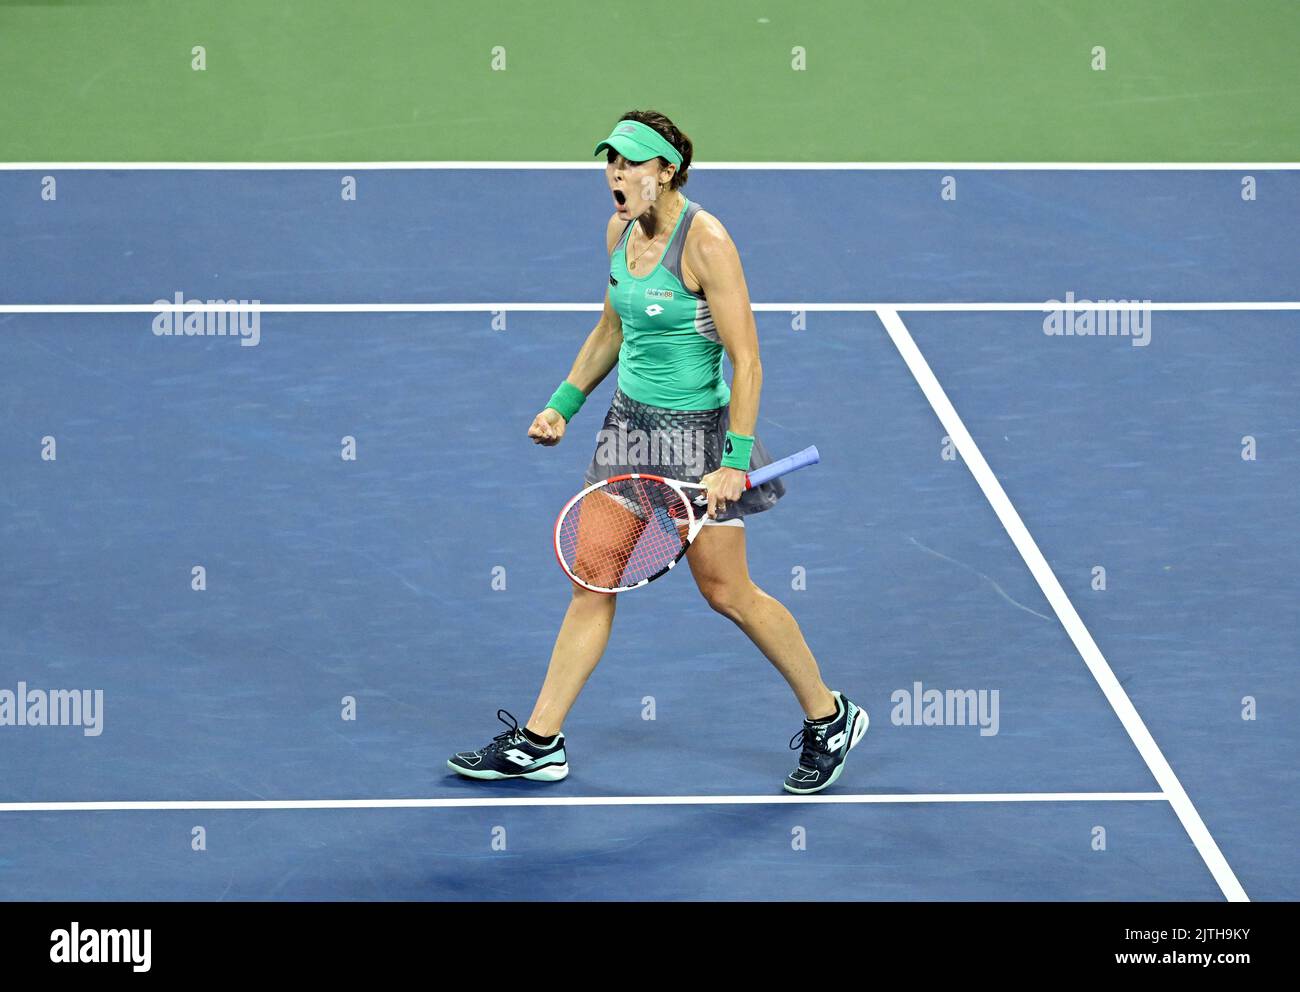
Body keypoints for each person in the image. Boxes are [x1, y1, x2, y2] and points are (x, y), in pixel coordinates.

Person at [448, 111, 866, 794]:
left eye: (631, 163)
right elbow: (612, 329)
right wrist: (564, 402)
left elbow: (748, 359)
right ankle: (539, 741)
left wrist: (733, 459)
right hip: (625, 433)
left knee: (727, 592)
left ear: (665, 171)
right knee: (594, 581)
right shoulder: (619, 233)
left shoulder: (707, 243)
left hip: (695, 440)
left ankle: (830, 716)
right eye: (610, 162)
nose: (616, 174)